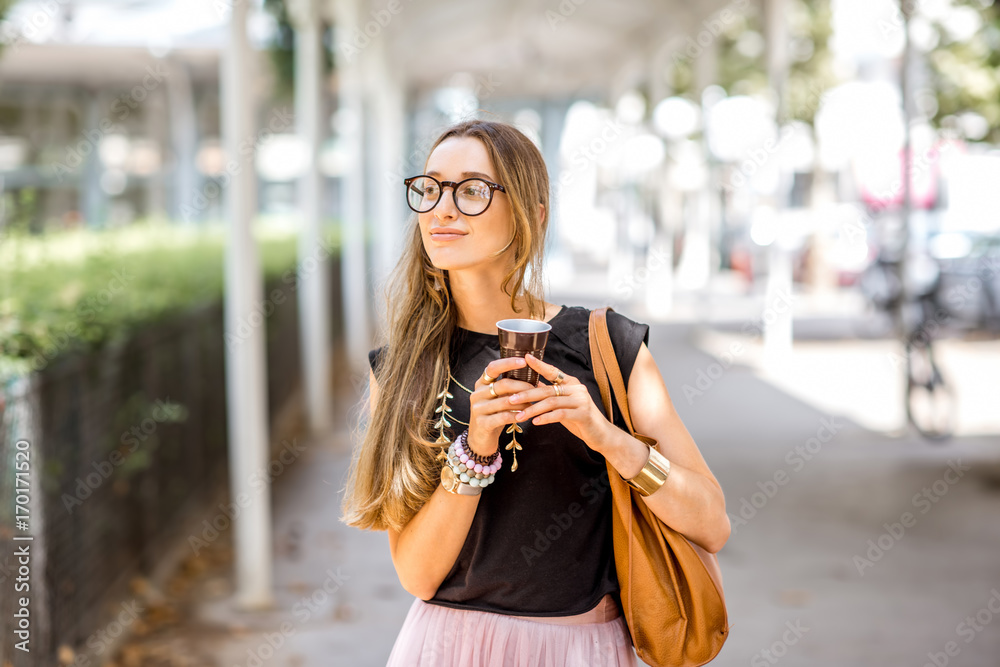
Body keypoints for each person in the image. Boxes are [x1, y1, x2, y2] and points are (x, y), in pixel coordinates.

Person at [341, 119, 729, 666]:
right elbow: (418, 575)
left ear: (532, 215)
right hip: (447, 650)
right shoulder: (402, 371)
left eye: (473, 190)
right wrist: (475, 449)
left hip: (579, 648)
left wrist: (607, 438)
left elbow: (712, 523)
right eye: (430, 188)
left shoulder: (607, 345)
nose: (442, 209)